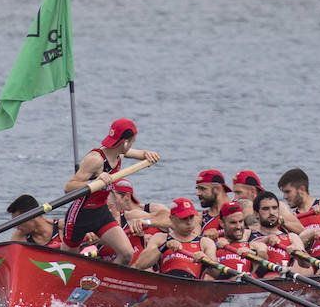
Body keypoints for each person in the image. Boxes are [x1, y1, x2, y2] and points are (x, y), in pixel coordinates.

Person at [62, 117, 161, 264]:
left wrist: (147, 154)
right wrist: (94, 182)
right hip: (80, 215)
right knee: (67, 261)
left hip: (101, 212)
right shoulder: (95, 159)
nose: (133, 144)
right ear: (125, 142)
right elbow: (68, 187)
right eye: (133, 141)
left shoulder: (120, 152)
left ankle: (102, 283)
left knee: (127, 254)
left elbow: (139, 154)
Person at [136, 197, 215, 278]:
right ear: (172, 218)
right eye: (184, 218)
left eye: (191, 217)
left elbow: (216, 273)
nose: (189, 222)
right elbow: (140, 264)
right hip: (166, 282)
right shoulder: (160, 238)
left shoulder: (205, 242)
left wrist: (206, 260)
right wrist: (165, 246)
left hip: (192, 284)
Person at [247, 190, 308, 275]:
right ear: (256, 214)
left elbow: (306, 264)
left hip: (281, 282)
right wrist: (264, 241)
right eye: (266, 209)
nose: (271, 212)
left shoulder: (291, 237)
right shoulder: (247, 234)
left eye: (274, 208)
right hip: (255, 281)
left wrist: (298, 253)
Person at [207, 201, 256, 278]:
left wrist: (254, 255)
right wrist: (216, 246)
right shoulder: (212, 244)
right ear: (222, 223)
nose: (239, 226)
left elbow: (263, 254)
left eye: (241, 221)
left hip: (249, 280)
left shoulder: (253, 239)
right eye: (233, 223)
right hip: (223, 282)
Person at [194, 169, 233, 235]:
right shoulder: (200, 218)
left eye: (202, 188)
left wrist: (219, 233)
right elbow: (193, 240)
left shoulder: (242, 207)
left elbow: (254, 228)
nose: (198, 193)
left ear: (217, 189)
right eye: (197, 189)